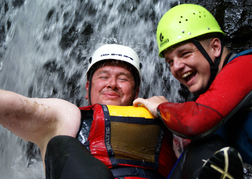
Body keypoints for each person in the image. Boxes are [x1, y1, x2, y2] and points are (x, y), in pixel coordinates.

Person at [0, 44, 177, 179]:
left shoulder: (166, 118)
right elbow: (12, 105)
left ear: (136, 92)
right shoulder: (62, 117)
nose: (112, 84)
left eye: (122, 78)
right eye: (103, 76)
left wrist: (171, 112)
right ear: (88, 88)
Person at [133, 4, 252, 179]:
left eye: (185, 53)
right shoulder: (215, 104)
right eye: (170, 62)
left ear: (215, 47)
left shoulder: (246, 65)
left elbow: (194, 121)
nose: (177, 67)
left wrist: (161, 107)